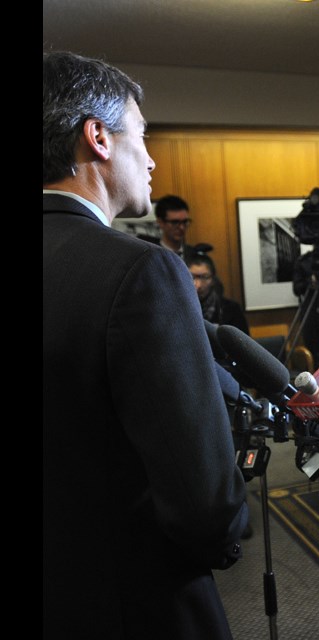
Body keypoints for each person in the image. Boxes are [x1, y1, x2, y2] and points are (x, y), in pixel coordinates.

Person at [43, 51, 248, 639]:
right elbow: (205, 502)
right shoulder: (139, 271)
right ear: (99, 138)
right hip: (131, 601)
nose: (152, 159)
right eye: (144, 136)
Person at [186, 249, 250, 334]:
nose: (198, 285)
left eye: (204, 277)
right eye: (192, 277)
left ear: (213, 279)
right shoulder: (180, 309)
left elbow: (243, 344)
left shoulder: (231, 309)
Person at [153, 193, 196, 258]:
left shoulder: (195, 254)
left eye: (185, 222)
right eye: (175, 222)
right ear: (160, 222)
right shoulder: (153, 256)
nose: (181, 227)